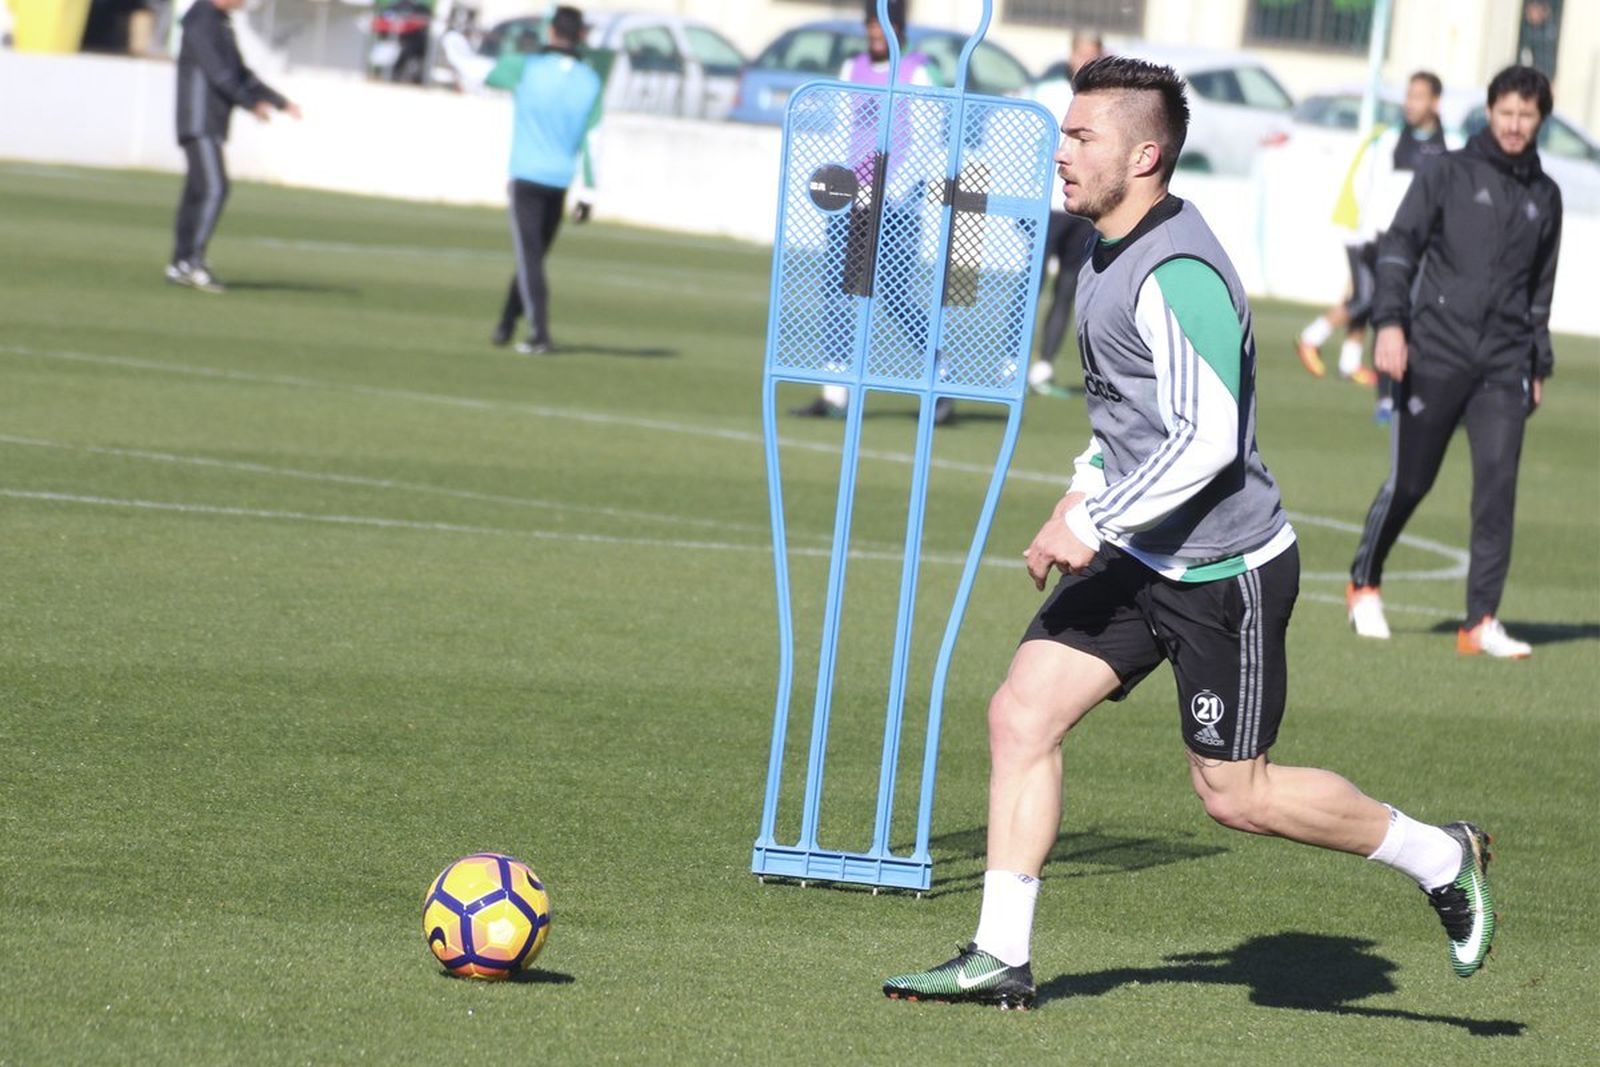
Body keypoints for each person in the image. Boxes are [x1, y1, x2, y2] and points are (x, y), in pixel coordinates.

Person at [881, 56, 1496, 1011]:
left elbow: (1207, 442)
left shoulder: (1178, 269)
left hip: (1227, 571)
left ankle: (1439, 854)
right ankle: (1002, 953)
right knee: (1022, 713)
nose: (1063, 153)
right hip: (1141, 549)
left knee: (1236, 796)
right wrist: (1080, 491)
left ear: (1146, 152)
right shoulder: (1105, 248)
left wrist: (1094, 516)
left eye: (1083, 138)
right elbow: (1129, 415)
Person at [1347, 66, 1561, 657]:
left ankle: (1480, 621)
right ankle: (1364, 582)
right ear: (1489, 111)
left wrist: (1537, 365)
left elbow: (1539, 290)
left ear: (1541, 118)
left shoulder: (1546, 195)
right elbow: (1399, 247)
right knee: (1411, 482)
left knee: (1497, 488)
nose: (1516, 125)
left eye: (1527, 115)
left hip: (1503, 364)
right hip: (1434, 351)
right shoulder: (1445, 171)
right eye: (1507, 112)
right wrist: (1390, 324)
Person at [789, 0, 954, 426]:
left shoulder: (918, 71)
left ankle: (941, 374)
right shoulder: (852, 68)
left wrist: (888, 192)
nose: (875, 36)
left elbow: (926, 142)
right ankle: (835, 391)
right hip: (851, 201)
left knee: (896, 296)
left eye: (883, 28)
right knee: (836, 292)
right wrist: (841, 187)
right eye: (870, 28)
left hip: (896, 204)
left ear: (899, 29)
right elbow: (843, 131)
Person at [1295, 71, 1447, 399]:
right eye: (1409, 95)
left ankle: (1349, 362)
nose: (1410, 103)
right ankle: (1312, 337)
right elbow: (1369, 188)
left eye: (1418, 96)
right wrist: (1370, 233)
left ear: (1435, 102)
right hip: (1372, 234)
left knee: (1367, 296)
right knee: (1366, 297)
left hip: (1403, 239)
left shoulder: (1449, 144)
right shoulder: (1389, 139)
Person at [487, 5, 602, 355]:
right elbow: (593, 140)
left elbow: (488, 75)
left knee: (530, 258)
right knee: (533, 257)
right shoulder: (590, 80)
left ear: (551, 31)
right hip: (560, 180)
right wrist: (588, 194)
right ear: (581, 35)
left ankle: (540, 335)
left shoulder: (526, 67)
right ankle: (506, 324)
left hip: (526, 175)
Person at [167, 0, 300, 294]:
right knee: (214, 188)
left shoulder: (218, 21)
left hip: (209, 121)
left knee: (198, 191)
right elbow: (219, 73)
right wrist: (251, 103)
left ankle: (180, 263)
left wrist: (278, 101)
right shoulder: (202, 21)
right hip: (198, 119)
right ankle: (191, 262)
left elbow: (239, 71)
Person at [1025, 30, 1104, 397]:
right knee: (1031, 286)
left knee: (1068, 286)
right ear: (1071, 57)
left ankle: (1043, 366)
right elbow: (1027, 145)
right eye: (1082, 55)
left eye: (1094, 56)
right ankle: (1013, 361)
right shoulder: (1049, 95)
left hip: (1081, 210)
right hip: (1047, 207)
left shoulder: (1105, 101)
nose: (1086, 62)